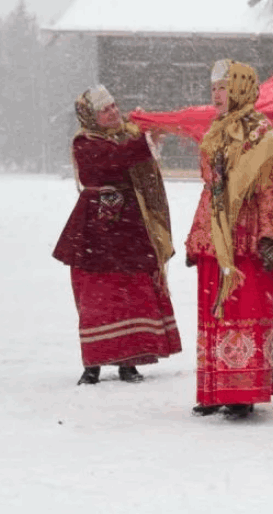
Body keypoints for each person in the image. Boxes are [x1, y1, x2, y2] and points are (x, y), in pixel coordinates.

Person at [53, 85, 181, 385]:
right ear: (91, 117)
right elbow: (109, 162)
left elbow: (131, 161)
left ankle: (130, 360)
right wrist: (143, 141)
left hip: (130, 227)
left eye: (113, 106)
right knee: (96, 295)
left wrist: (144, 140)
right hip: (94, 231)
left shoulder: (129, 136)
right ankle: (94, 362)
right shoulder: (84, 142)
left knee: (133, 289)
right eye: (105, 109)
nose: (113, 112)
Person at [186, 60, 273, 418]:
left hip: (245, 233)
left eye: (224, 87)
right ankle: (214, 388)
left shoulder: (262, 133)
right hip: (216, 231)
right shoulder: (216, 129)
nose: (216, 95)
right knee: (213, 311)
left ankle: (242, 391)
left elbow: (269, 190)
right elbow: (209, 183)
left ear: (241, 89)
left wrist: (268, 233)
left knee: (243, 307)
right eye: (213, 87)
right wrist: (196, 235)